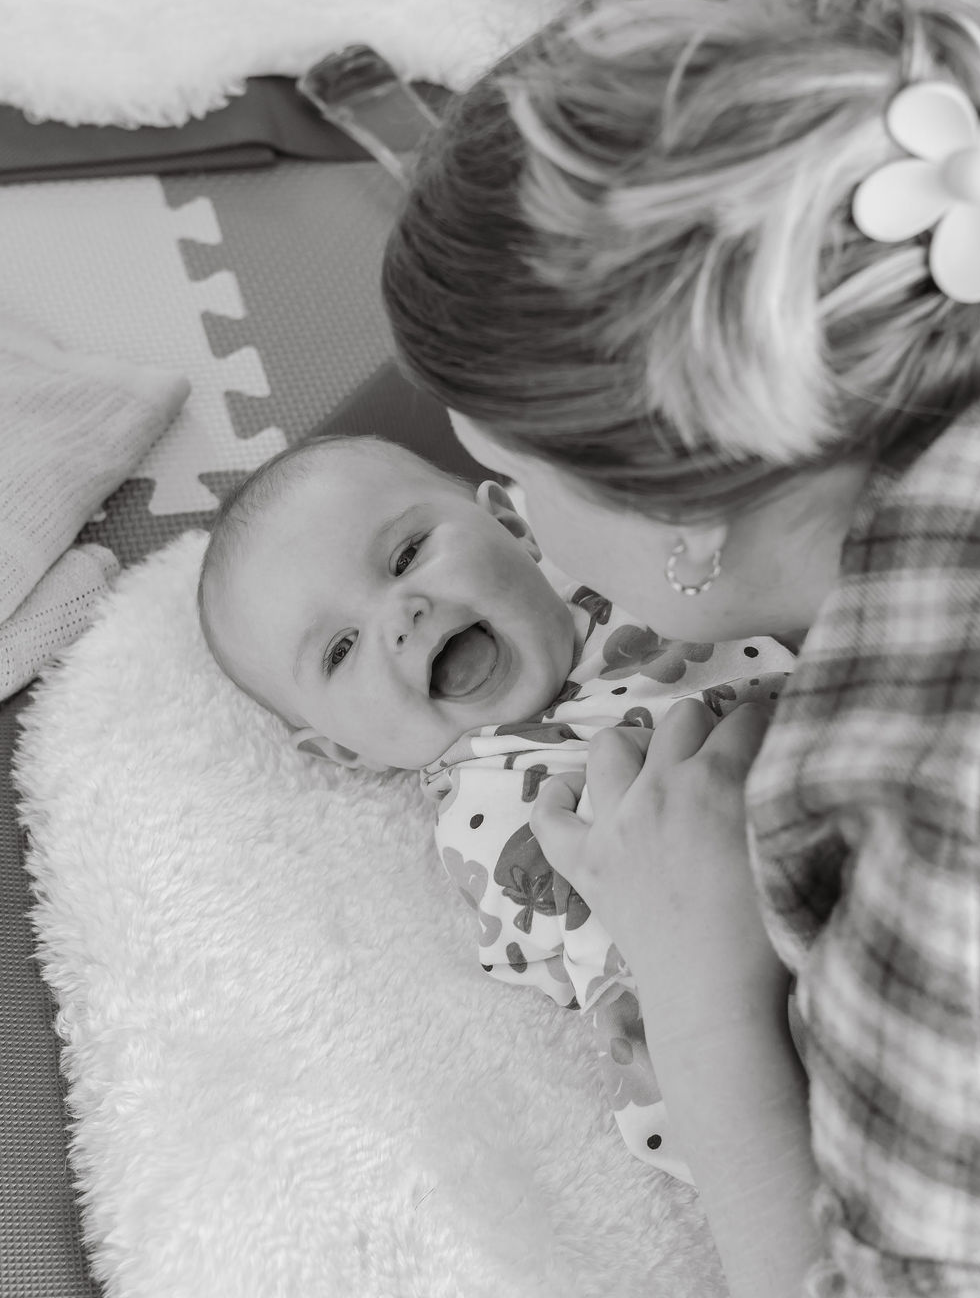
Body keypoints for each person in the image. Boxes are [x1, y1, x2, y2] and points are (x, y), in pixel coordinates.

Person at [379, 0, 980, 1298]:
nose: (502, 518)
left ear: (682, 519)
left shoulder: (920, 816)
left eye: (506, 482)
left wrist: (699, 987)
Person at [196, 431, 791, 1176]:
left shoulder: (624, 576)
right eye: (340, 650)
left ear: (511, 524)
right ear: (347, 750)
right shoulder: (494, 810)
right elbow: (616, 948)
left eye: (406, 555)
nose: (401, 615)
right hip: (750, 1009)